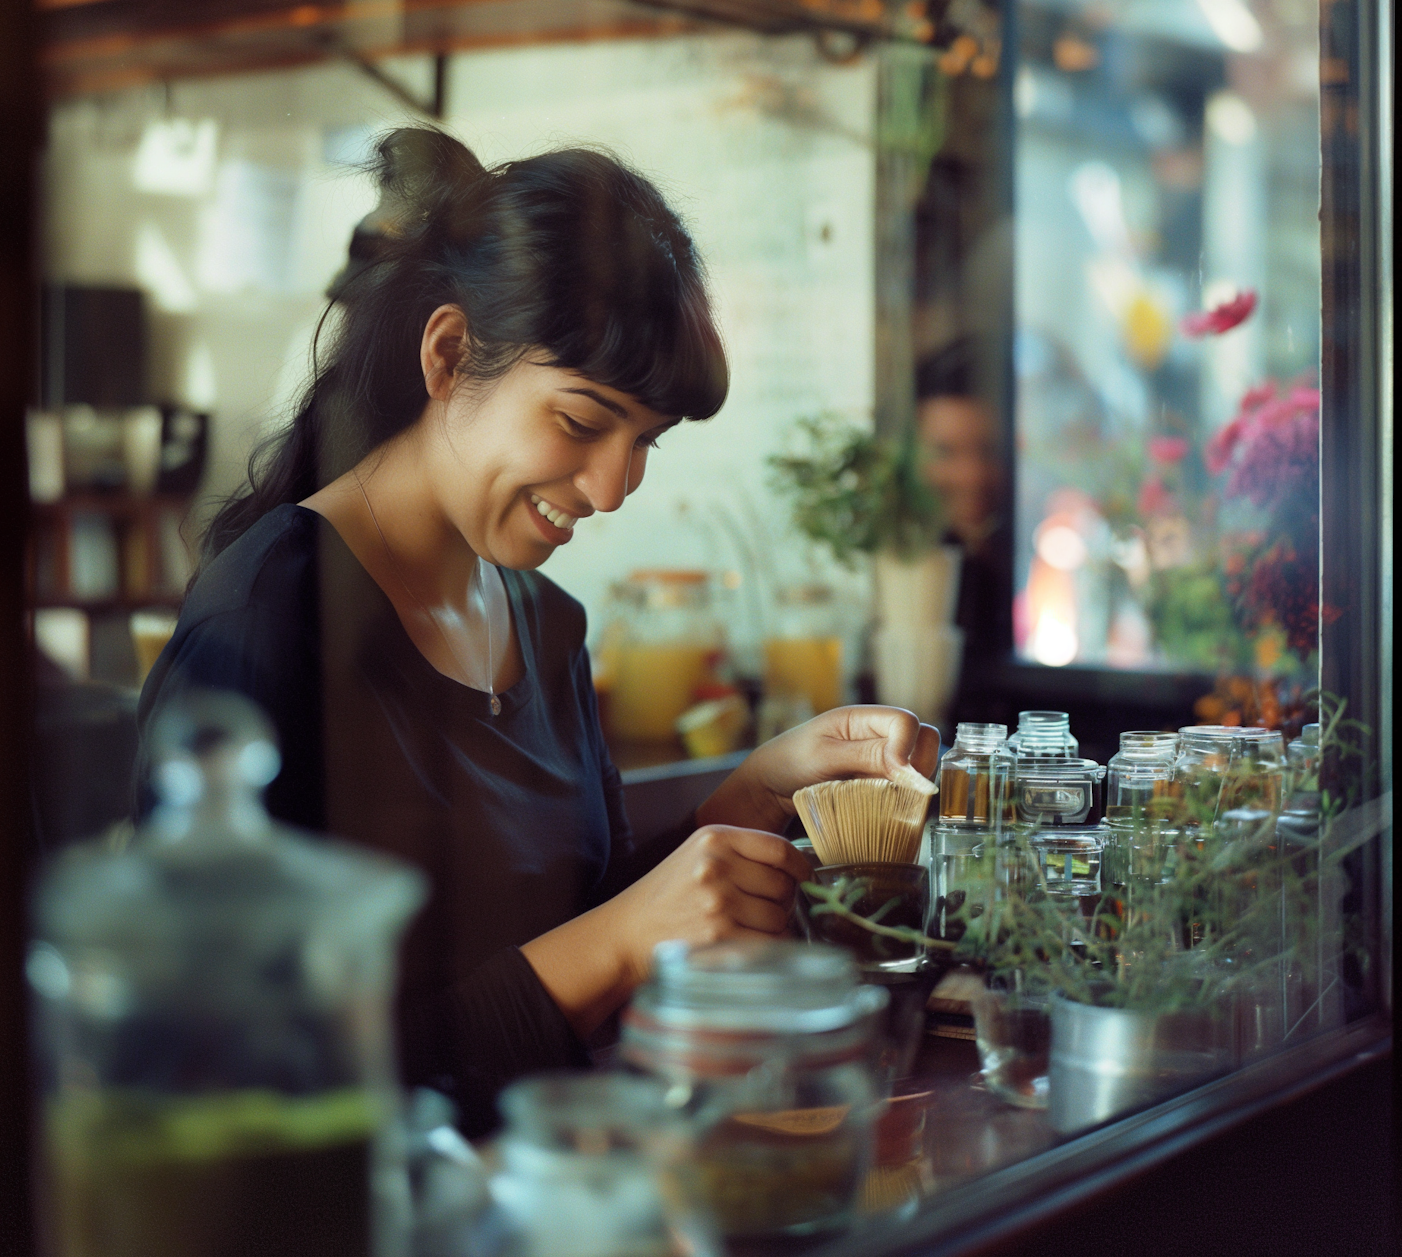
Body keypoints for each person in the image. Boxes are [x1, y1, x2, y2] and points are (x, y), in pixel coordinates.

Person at [140, 128, 939, 1133]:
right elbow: (239, 1090)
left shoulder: (541, 620)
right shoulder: (269, 626)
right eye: (579, 422)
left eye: (643, 442)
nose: (613, 488)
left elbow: (579, 921)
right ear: (448, 354)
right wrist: (614, 945)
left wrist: (752, 796)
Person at [915, 340, 1015, 727]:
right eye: (945, 453)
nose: (971, 476)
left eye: (989, 450)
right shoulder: (903, 574)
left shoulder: (1035, 561)